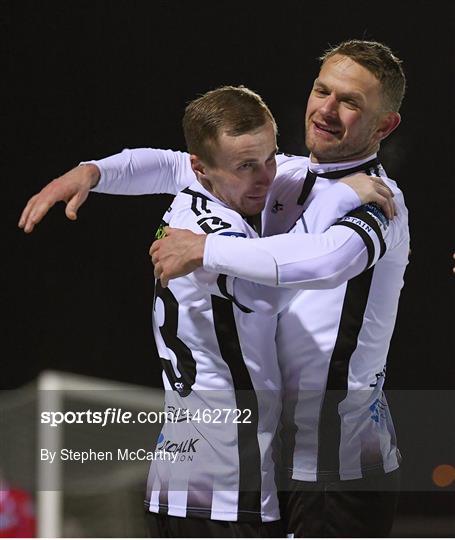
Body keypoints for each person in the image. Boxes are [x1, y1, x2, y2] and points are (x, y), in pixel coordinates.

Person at [18, 39, 408, 538]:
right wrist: (93, 172)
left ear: (384, 125)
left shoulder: (377, 199)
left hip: (337, 460)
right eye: (321, 90)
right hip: (260, 460)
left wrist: (202, 250)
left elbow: (325, 261)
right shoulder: (275, 176)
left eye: (350, 101)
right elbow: (174, 163)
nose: (327, 109)